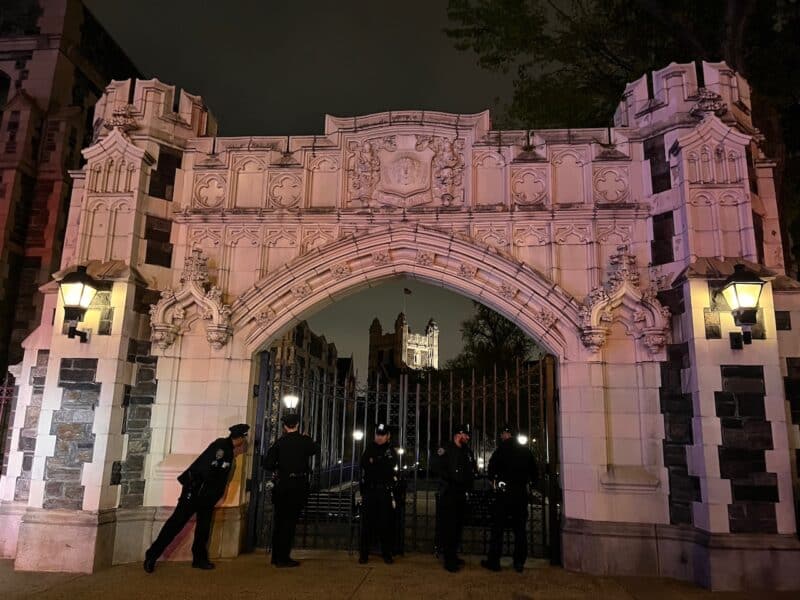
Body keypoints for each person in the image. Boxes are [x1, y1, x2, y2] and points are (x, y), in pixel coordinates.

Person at [143, 423, 250, 573]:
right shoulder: (221, 447)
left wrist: (216, 495)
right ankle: (152, 555)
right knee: (175, 524)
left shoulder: (228, 450)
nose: (244, 442)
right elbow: (208, 469)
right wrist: (198, 490)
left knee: (203, 528)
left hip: (206, 496)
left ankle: (199, 559)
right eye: (244, 438)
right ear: (239, 438)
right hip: (194, 493)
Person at [262, 413, 320, 567]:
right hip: (298, 485)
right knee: (290, 523)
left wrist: (279, 468)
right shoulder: (304, 441)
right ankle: (284, 558)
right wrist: (307, 438)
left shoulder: (279, 443)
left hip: (283, 485)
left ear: (284, 426)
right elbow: (315, 449)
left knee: (279, 522)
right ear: (298, 425)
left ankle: (276, 556)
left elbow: (267, 464)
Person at [481, 425, 538, 573]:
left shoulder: (501, 450)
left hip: (504, 494)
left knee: (498, 528)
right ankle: (519, 562)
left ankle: (494, 561)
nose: (501, 437)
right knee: (520, 530)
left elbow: (491, 469)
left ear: (506, 435)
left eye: (502, 434)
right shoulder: (525, 450)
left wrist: (494, 483)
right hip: (520, 494)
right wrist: (529, 484)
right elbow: (534, 473)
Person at [433, 423, 477, 573]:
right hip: (450, 493)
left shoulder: (467, 451)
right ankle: (449, 560)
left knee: (458, 527)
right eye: (466, 434)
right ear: (458, 434)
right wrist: (453, 479)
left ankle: (453, 555)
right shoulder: (446, 449)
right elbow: (438, 468)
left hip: (462, 493)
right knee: (449, 528)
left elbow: (472, 469)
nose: (468, 437)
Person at [358, 422, 398, 564]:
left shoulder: (391, 450)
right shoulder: (370, 447)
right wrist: (378, 462)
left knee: (385, 523)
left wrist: (374, 461)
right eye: (377, 434)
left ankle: (387, 553)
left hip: (384, 491)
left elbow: (390, 467)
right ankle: (364, 554)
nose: (379, 437)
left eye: (382, 435)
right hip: (370, 490)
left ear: (388, 436)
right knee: (367, 523)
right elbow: (363, 463)